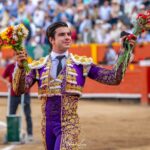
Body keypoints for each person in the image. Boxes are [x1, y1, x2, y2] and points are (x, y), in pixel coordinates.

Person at [12, 22, 136, 150]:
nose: (67, 37)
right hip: (47, 128)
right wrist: (20, 67)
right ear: (51, 40)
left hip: (69, 126)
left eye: (68, 34)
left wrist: (125, 52)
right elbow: (19, 89)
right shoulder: (39, 66)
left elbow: (112, 78)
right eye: (62, 35)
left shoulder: (81, 64)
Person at [0, 58, 33, 141]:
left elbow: (31, 78)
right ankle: (11, 133)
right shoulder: (10, 66)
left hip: (24, 94)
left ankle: (30, 134)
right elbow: (2, 76)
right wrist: (7, 82)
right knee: (11, 114)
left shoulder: (27, 67)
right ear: (15, 57)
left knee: (27, 114)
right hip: (13, 94)